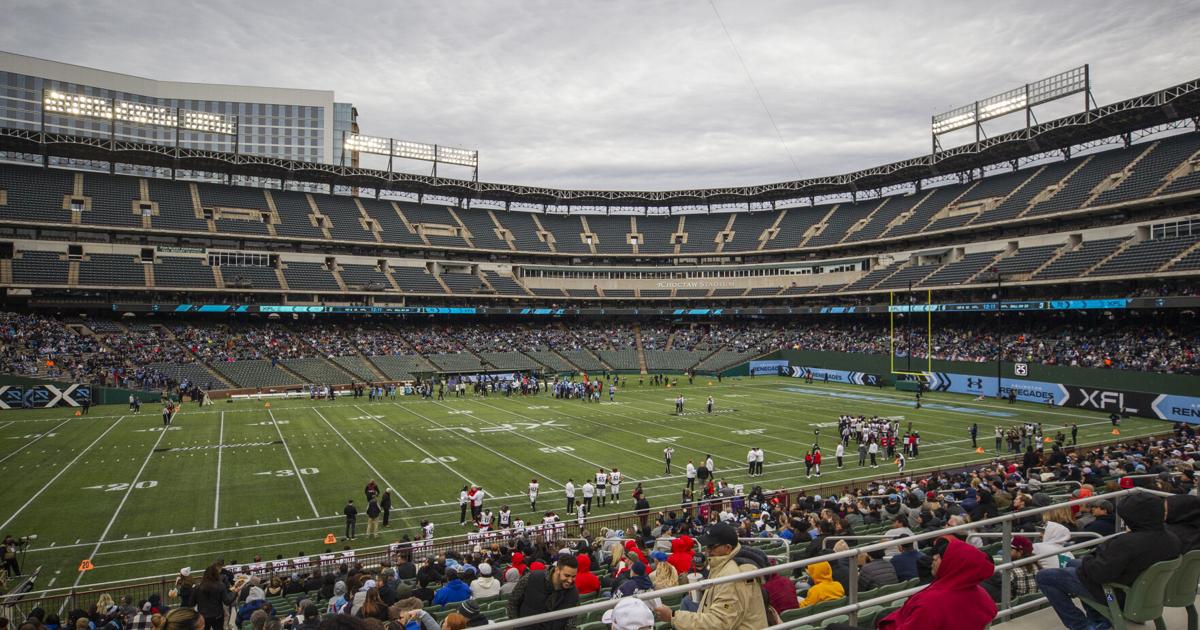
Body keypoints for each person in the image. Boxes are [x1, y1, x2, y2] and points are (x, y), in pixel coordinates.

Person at [1036, 493, 1181, 630]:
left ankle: (1080, 626)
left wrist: (1089, 558)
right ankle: (1099, 618)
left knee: (1045, 576)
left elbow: (1099, 574)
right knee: (1073, 564)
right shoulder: (1172, 539)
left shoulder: (1127, 543)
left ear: (1133, 518)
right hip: (1142, 591)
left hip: (1112, 594)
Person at [831, 537, 996, 630]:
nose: (934, 557)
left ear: (954, 564)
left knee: (834, 627)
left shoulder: (933, 602)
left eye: (941, 556)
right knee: (883, 615)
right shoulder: (979, 594)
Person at [653, 522, 768, 629]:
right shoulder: (724, 562)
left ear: (727, 548)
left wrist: (673, 616)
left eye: (711, 546)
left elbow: (719, 623)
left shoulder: (734, 575)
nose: (707, 551)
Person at [506, 555, 579, 629]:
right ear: (557, 570)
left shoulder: (574, 593)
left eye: (573, 577)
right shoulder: (531, 578)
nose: (570, 580)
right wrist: (516, 627)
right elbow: (512, 602)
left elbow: (571, 623)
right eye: (567, 575)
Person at [193, 565, 234, 630]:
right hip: (217, 616)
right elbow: (227, 602)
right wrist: (235, 593)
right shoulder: (221, 585)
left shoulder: (197, 588)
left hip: (203, 616)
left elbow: (191, 603)